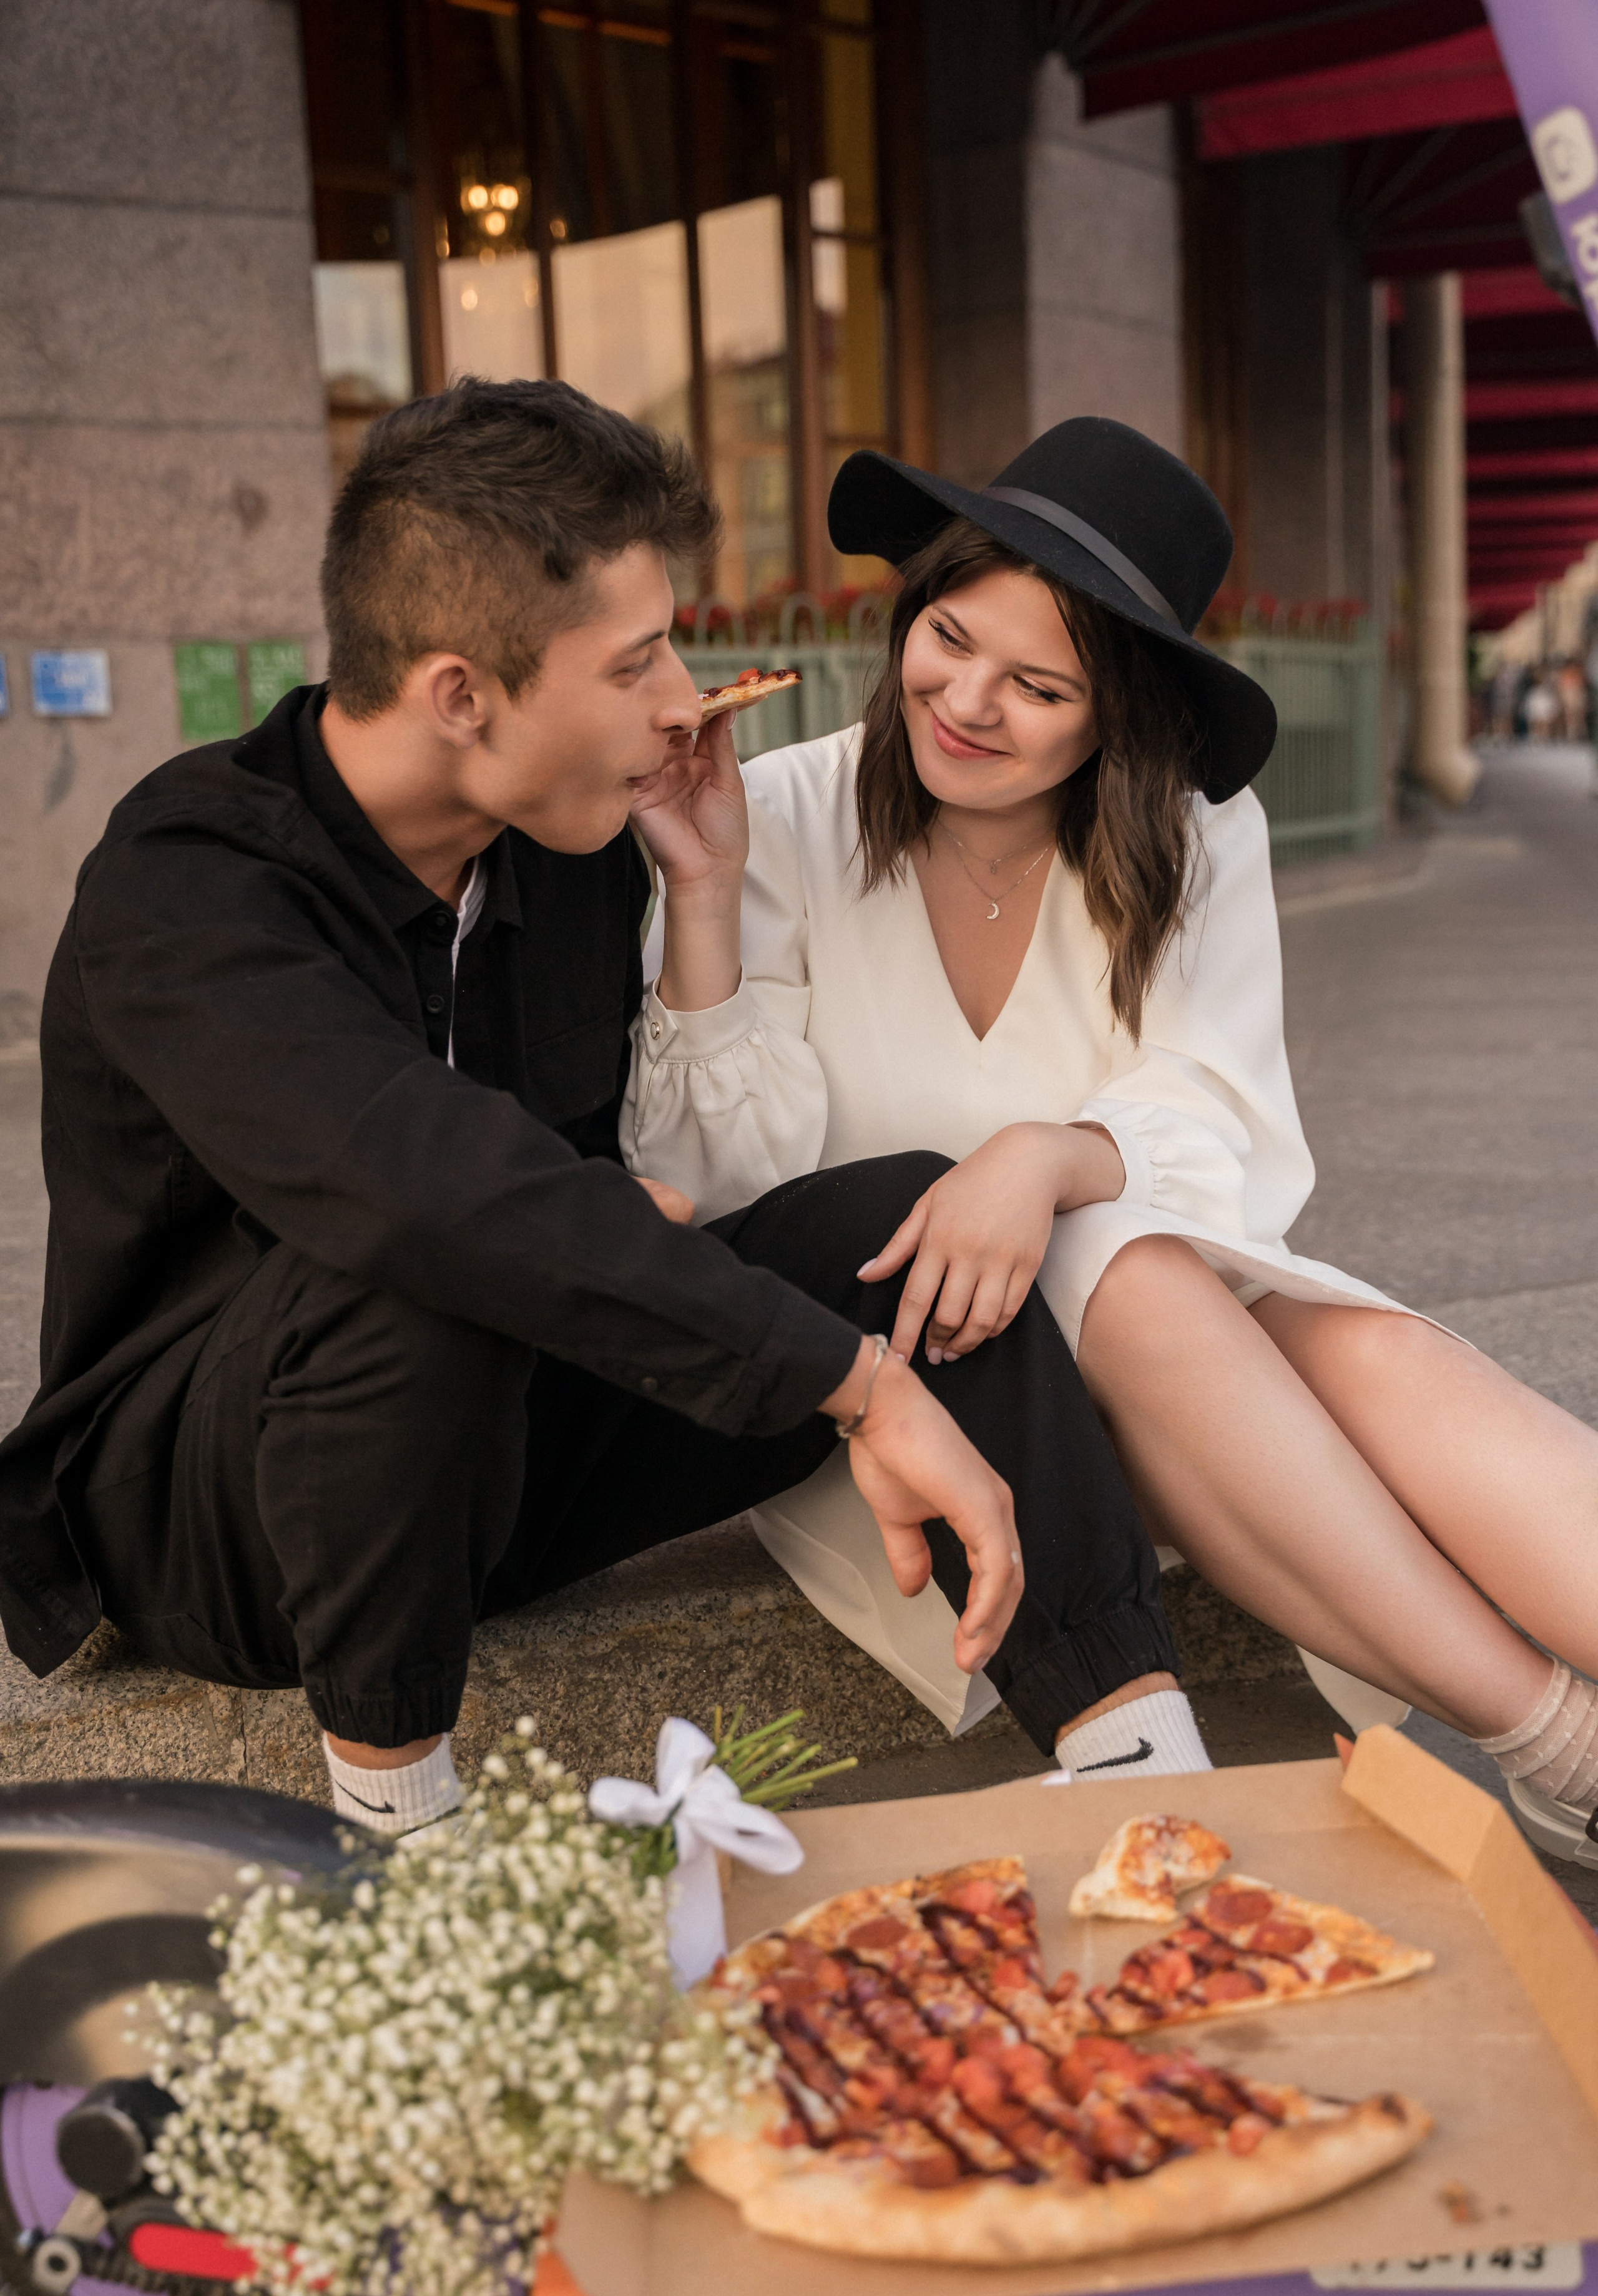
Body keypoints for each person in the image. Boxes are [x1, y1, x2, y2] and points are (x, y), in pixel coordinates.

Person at [0, 380, 1184, 1839]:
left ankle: (1151, 1769)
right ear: (460, 694)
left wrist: (697, 890)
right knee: (417, 1260)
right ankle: (405, 1849)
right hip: (216, 1523)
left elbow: (655, 1199)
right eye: (635, 665)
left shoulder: (568, 847)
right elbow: (430, 1195)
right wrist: (857, 1384)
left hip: (504, 1451)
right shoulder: (187, 888)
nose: (684, 699)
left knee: (910, 1219)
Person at [623, 416, 1598, 1868]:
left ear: (1112, 716)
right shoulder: (771, 813)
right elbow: (722, 1179)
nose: (965, 702)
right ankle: (1556, 1744)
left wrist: (1050, 1155)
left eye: (1037, 686)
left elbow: (1226, 1117)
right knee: (1141, 1284)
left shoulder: (1194, 836)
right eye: (947, 638)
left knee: (1354, 1347)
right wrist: (701, 896)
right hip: (904, 1380)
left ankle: (1560, 1762)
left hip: (1168, 1333)